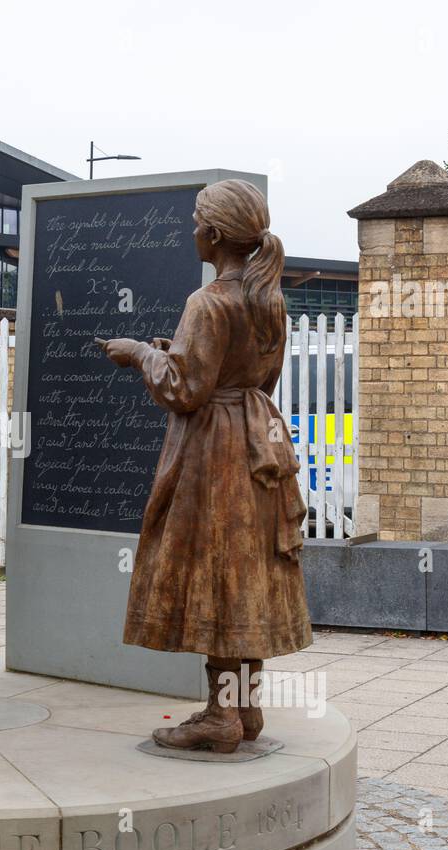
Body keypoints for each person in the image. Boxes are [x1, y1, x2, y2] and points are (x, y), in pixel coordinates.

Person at [102, 180, 312, 754]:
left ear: (214, 234)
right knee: (247, 569)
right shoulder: (268, 297)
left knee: (216, 569)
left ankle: (221, 715)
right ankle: (244, 705)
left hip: (214, 451)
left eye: (196, 221)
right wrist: (177, 350)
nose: (191, 230)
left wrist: (142, 353)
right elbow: (253, 381)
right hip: (259, 440)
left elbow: (187, 389)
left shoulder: (209, 300)